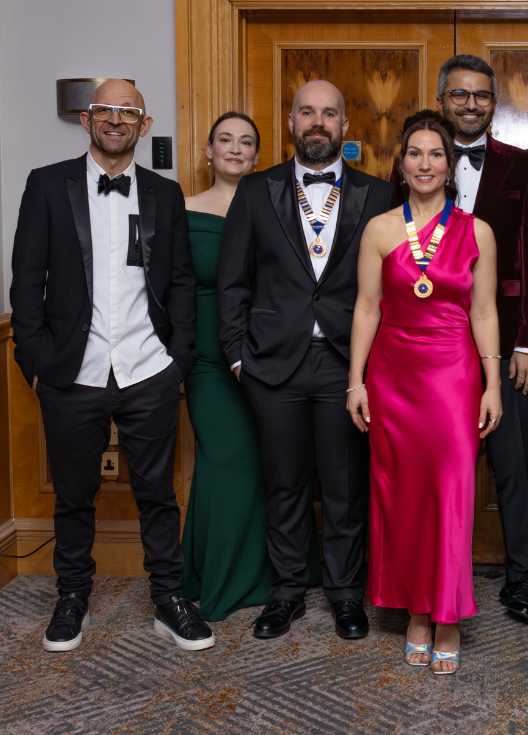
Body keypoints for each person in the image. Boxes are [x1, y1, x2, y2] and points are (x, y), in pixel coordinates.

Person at [10, 79, 212, 651]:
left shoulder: (164, 193)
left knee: (158, 495)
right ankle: (72, 596)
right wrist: (35, 361)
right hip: (72, 373)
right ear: (87, 119)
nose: (115, 119)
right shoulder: (47, 184)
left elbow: (180, 282)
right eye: (105, 109)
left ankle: (168, 599)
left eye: (128, 111)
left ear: (144, 125)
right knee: (74, 496)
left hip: (148, 369)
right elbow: (26, 280)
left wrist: (177, 361)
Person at [217, 80, 400, 641]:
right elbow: (232, 280)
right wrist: (237, 357)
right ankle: (288, 592)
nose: (317, 122)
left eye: (328, 113)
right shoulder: (256, 190)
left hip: (350, 365)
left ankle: (345, 595)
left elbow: (394, 286)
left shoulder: (379, 194)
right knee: (284, 484)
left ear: (344, 125)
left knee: (344, 486)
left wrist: (380, 364)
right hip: (272, 364)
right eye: (307, 112)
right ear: (291, 122)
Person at [348, 110, 502, 676]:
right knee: (404, 497)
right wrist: (356, 381)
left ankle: (448, 616)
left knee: (452, 495)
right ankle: (417, 610)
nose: (425, 163)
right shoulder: (380, 229)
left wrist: (493, 384)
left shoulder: (477, 231)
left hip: (453, 378)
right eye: (415, 152)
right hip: (393, 378)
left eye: (436, 153)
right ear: (401, 162)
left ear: (450, 164)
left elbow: (483, 312)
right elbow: (367, 308)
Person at [401, 54, 528, 625]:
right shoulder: (411, 168)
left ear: (494, 103)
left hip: (505, 344)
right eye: (459, 95)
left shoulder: (524, 167)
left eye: (481, 95)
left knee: (514, 467)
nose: (470, 104)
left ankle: (522, 578)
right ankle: (433, 577)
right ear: (442, 100)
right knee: (436, 469)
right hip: (428, 347)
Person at [180, 113, 321, 621]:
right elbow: (167, 287)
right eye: (225, 140)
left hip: (269, 353)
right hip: (207, 357)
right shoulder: (181, 209)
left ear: (258, 155)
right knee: (227, 458)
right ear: (209, 150)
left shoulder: (279, 206)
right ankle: (222, 577)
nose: (235, 149)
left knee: (279, 464)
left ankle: (279, 575)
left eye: (246, 142)